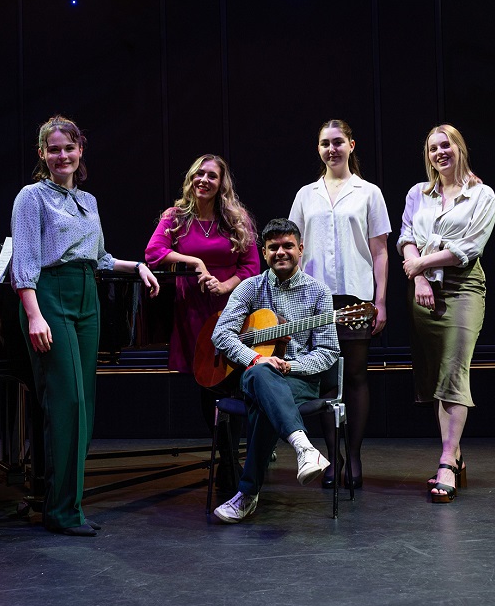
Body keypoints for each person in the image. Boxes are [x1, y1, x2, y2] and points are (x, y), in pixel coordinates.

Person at [10, 115, 160, 536]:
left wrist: (137, 267)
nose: (62, 156)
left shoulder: (88, 201)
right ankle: (59, 511)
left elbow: (98, 257)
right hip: (49, 295)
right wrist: (35, 314)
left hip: (87, 295)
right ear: (42, 154)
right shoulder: (31, 197)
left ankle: (69, 507)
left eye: (69, 148)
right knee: (67, 402)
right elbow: (24, 262)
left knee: (86, 405)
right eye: (53, 149)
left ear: (80, 151)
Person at [144, 154, 260, 497]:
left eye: (211, 175)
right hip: (193, 312)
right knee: (207, 384)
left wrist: (225, 286)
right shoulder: (175, 217)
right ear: (191, 178)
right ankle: (227, 460)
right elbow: (153, 252)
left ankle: (229, 462)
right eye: (199, 174)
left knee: (234, 383)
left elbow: (252, 266)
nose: (204, 180)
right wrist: (195, 262)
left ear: (221, 183)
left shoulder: (236, 220)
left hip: (232, 310)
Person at [210, 218, 340, 523]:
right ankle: (304, 447)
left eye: (287, 246)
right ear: (264, 252)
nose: (281, 252)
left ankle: (247, 494)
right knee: (258, 373)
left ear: (300, 249)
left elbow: (329, 351)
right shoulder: (250, 287)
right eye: (273, 247)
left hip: (300, 379)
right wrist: (256, 359)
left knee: (262, 395)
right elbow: (221, 334)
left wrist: (289, 365)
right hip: (258, 375)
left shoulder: (318, 293)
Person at [398, 124, 495, 503]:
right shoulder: (416, 194)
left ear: (460, 148)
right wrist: (419, 276)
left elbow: (468, 247)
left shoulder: (481, 194)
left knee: (455, 369)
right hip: (422, 291)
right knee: (439, 374)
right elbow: (406, 236)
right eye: (432, 148)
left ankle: (445, 462)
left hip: (462, 288)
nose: (440, 153)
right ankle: (454, 450)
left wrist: (420, 264)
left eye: (446, 145)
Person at [289, 119, 391, 489]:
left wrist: (380, 298)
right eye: (324, 143)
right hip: (316, 297)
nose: (331, 149)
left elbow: (380, 251)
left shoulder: (369, 192)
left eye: (337, 142)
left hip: (357, 296)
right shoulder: (306, 194)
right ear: (318, 149)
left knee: (358, 376)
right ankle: (334, 457)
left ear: (351, 144)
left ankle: (356, 454)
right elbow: (292, 248)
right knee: (325, 378)